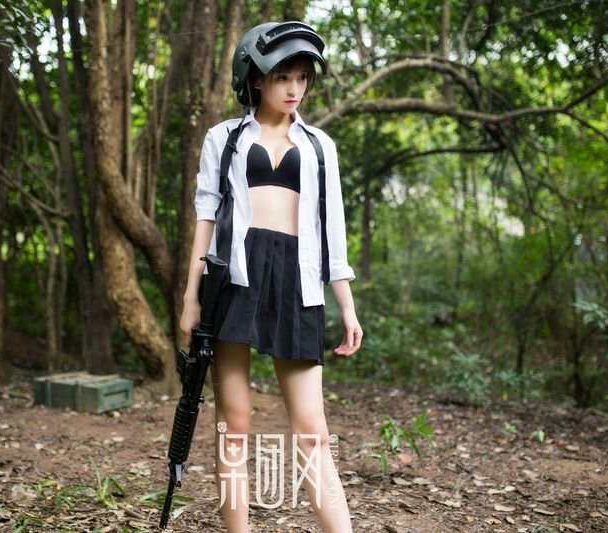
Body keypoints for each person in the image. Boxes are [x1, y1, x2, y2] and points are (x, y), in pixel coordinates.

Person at [179, 21, 362, 533]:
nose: (294, 89)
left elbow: (332, 229)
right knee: (233, 426)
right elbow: (206, 218)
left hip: (297, 282)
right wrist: (191, 296)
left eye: (302, 77)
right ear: (256, 79)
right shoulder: (224, 138)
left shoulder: (320, 146)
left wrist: (347, 306)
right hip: (234, 280)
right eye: (283, 77)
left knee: (313, 432)